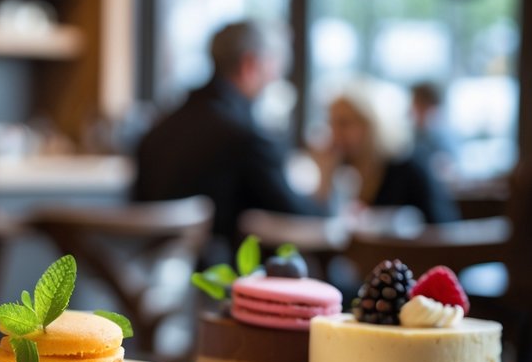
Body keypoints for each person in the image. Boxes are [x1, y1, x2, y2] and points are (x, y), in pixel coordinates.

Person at [134, 21, 323, 246]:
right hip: (215, 276)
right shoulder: (243, 136)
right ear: (250, 65)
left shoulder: (159, 129)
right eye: (273, 67)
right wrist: (329, 194)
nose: (275, 79)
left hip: (150, 270)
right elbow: (297, 214)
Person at [319, 79, 459, 224]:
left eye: (344, 124)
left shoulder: (408, 169)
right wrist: (325, 178)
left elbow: (444, 231)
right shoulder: (343, 170)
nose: (334, 134)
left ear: (373, 124)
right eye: (331, 124)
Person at [409, 81, 457, 178]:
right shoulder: (414, 134)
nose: (410, 109)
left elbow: (448, 171)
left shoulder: (442, 136)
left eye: (415, 104)